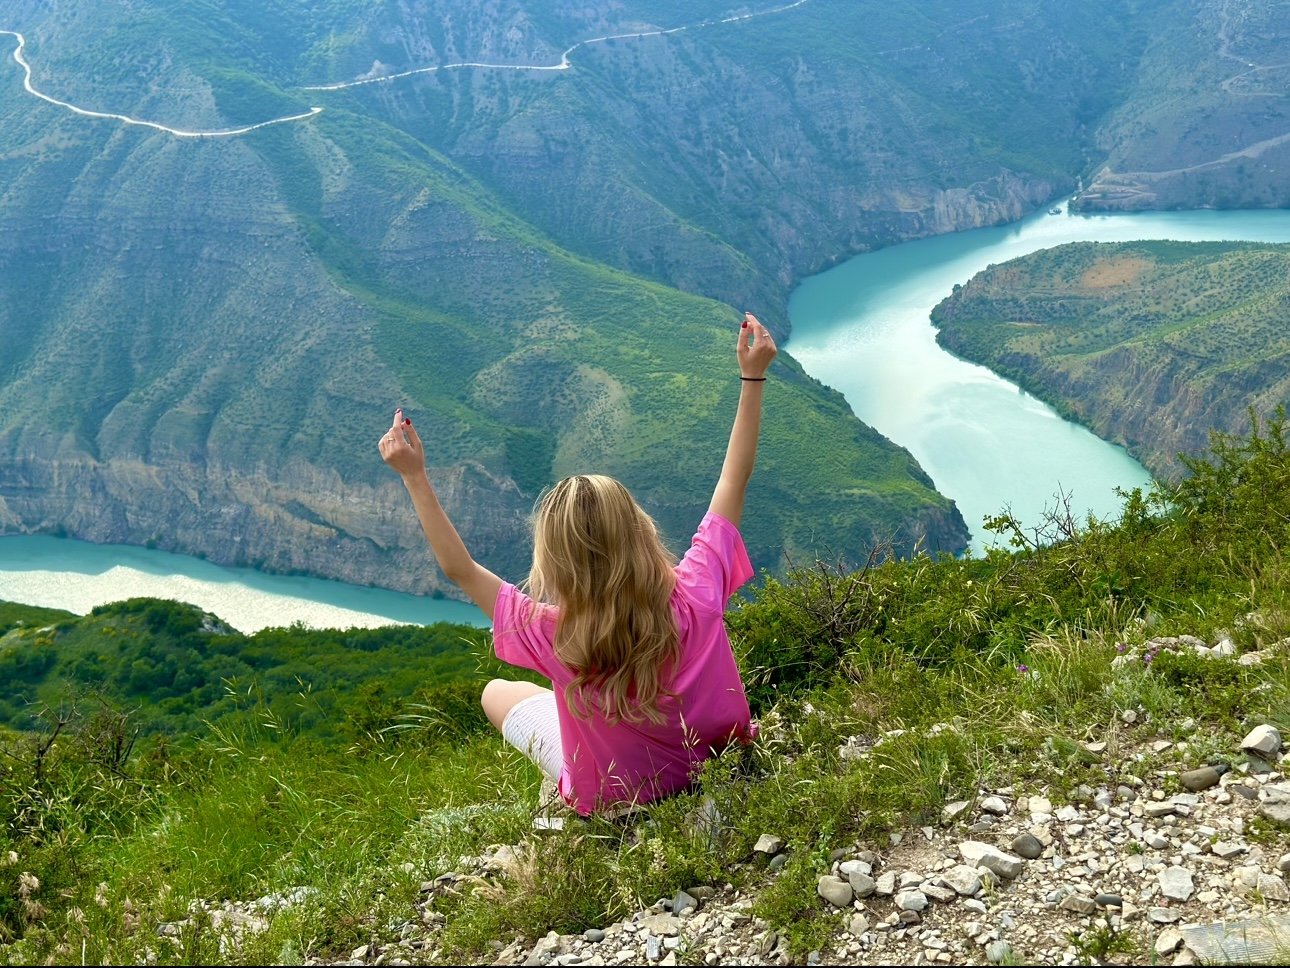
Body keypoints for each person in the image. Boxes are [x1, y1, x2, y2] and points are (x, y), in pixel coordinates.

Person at [378, 311, 777, 816]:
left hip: (616, 802)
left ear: (556, 559)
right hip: (724, 765)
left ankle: (565, 786)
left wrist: (414, 476)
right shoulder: (698, 589)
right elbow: (732, 481)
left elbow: (460, 569)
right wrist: (752, 377)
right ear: (639, 530)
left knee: (497, 692)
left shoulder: (553, 634)